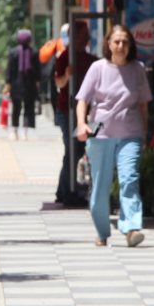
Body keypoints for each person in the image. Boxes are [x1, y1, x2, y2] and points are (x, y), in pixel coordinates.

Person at [76, 24, 152, 247]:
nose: (120, 46)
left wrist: (145, 134)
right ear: (108, 44)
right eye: (116, 42)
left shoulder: (138, 69)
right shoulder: (97, 68)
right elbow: (83, 100)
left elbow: (143, 106)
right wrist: (81, 124)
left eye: (125, 42)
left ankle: (131, 228)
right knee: (100, 187)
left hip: (131, 134)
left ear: (130, 46)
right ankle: (102, 232)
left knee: (129, 179)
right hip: (101, 134)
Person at [53, 21, 96, 206]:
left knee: (74, 151)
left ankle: (64, 191)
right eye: (84, 34)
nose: (87, 37)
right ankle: (67, 192)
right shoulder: (65, 56)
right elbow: (59, 83)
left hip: (86, 112)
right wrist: (67, 75)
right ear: (75, 36)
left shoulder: (90, 59)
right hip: (67, 110)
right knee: (73, 151)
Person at [3, 29, 39, 140]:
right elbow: (38, 71)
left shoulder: (13, 52)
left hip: (16, 85)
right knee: (28, 108)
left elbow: (9, 70)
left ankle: (15, 131)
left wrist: (8, 83)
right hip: (29, 84)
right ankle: (25, 132)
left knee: (16, 108)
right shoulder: (33, 52)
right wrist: (38, 83)